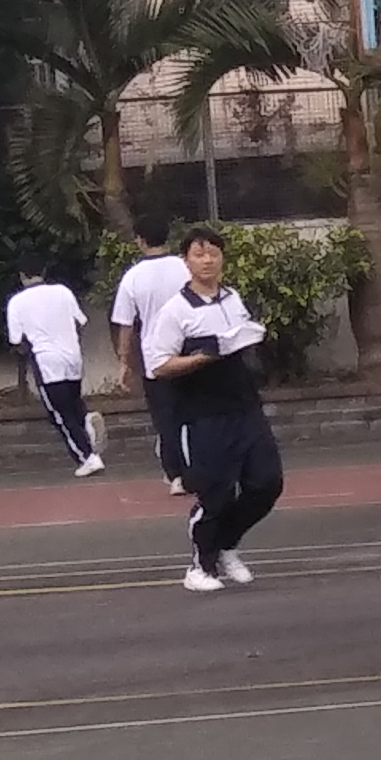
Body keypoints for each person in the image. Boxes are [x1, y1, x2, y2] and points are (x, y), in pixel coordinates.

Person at [146, 224, 283, 591]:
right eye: (198, 254)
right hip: (203, 415)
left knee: (267, 483)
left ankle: (226, 544)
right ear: (186, 260)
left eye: (213, 253)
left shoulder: (233, 298)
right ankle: (200, 567)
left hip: (246, 409)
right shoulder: (175, 311)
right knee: (216, 494)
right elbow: (160, 365)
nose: (207, 260)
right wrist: (203, 357)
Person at [105, 225, 191, 496]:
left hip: (156, 356)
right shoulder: (185, 267)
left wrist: (124, 361)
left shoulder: (133, 277)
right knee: (193, 412)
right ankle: (196, 467)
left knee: (165, 418)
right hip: (189, 350)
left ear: (140, 241)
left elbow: (125, 323)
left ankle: (176, 474)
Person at [4, 254, 107, 476]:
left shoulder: (17, 303)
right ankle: (86, 422)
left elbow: (16, 341)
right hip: (73, 357)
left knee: (59, 414)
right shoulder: (63, 292)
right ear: (43, 272)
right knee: (73, 402)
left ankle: (87, 456)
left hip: (47, 362)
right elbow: (80, 321)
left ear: (22, 276)